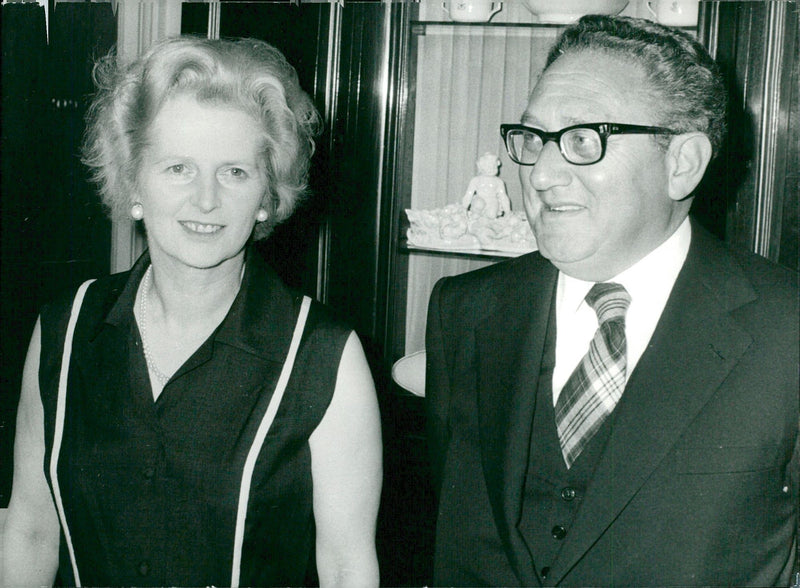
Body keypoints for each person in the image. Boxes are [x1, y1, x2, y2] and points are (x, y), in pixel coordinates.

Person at [426, 14, 798, 586]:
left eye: (582, 140)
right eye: (532, 138)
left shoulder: (786, 329)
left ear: (682, 163)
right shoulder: (467, 310)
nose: (541, 174)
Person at [2, 36, 382, 587]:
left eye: (234, 172)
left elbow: (347, 568)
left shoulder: (324, 356)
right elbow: (31, 530)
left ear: (267, 197)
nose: (205, 200)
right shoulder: (65, 329)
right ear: (134, 181)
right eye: (178, 167)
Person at [461, 152, 511, 220]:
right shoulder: (476, 180)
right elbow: (469, 194)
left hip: (492, 201)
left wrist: (507, 211)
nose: (491, 169)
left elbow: (503, 196)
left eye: (493, 166)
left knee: (491, 215)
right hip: (479, 200)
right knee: (478, 206)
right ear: (481, 166)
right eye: (488, 166)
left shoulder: (498, 182)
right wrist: (464, 207)